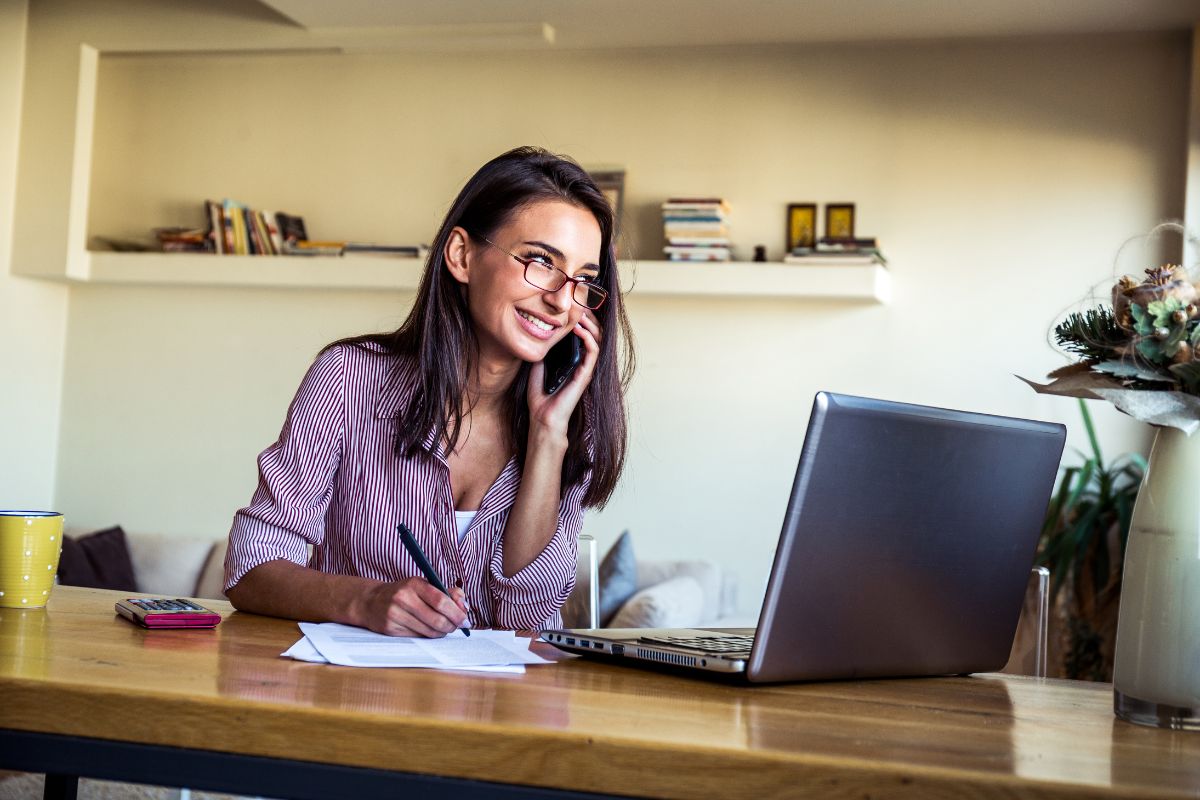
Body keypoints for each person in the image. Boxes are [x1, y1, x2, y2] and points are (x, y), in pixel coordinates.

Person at [223, 147, 633, 636]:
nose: (563, 300)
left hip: (502, 710)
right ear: (462, 256)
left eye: (583, 280)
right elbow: (250, 570)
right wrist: (366, 600)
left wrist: (548, 436)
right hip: (357, 700)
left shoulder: (569, 426)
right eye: (540, 260)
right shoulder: (349, 380)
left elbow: (527, 620)